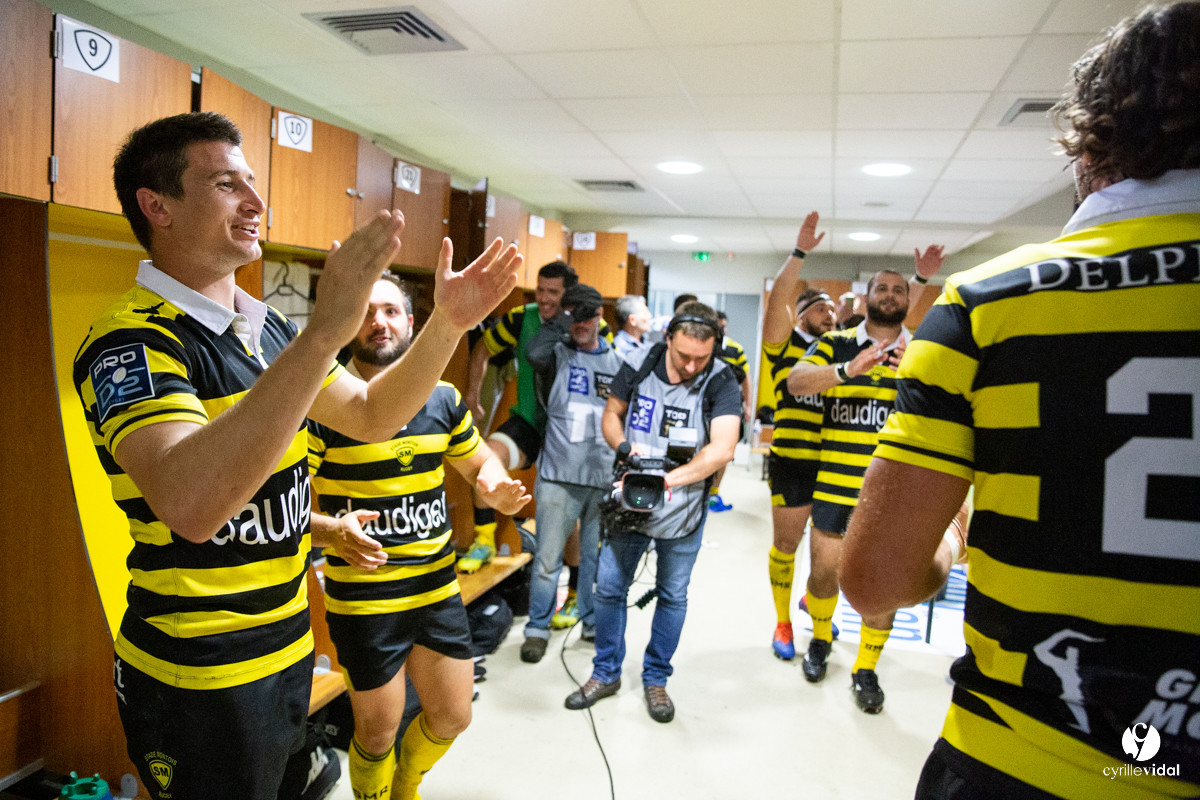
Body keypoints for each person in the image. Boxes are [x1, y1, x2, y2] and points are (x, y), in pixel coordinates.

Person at [72, 112, 520, 800]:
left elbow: (371, 416)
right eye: (228, 185)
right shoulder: (131, 344)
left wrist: (448, 325)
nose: (257, 203)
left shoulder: (267, 330)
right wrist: (323, 336)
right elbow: (191, 505)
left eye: (254, 182)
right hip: (199, 673)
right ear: (156, 206)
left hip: (284, 651)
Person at [841, 4, 1200, 796]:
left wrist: (951, 544)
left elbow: (876, 581)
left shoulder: (989, 304)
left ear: (1089, 141)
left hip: (1027, 754)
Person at [307, 274, 530, 800]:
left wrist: (495, 489)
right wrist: (332, 531)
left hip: (435, 588)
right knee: (378, 730)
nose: (377, 322)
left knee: (453, 715)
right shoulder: (324, 404)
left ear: (411, 323)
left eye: (389, 311)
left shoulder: (443, 399)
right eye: (365, 312)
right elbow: (281, 507)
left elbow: (479, 466)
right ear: (348, 326)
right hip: (364, 597)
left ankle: (406, 784)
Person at [764, 217, 944, 662]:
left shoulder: (914, 350)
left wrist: (917, 282)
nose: (828, 314)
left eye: (897, 291)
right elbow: (796, 378)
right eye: (819, 308)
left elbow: (942, 404)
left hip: (883, 484)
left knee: (879, 580)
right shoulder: (816, 344)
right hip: (809, 466)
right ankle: (799, 628)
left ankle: (866, 668)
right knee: (811, 563)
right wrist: (848, 370)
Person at [564, 302, 741, 723]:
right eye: (684, 356)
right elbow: (612, 415)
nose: (693, 365)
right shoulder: (637, 364)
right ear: (667, 339)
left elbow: (724, 448)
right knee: (608, 588)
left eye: (703, 356)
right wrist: (623, 447)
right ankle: (605, 673)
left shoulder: (721, 379)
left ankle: (656, 678)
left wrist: (670, 480)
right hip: (631, 501)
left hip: (683, 508)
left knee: (673, 594)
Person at [518, 283, 625, 662]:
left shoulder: (618, 363)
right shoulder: (557, 353)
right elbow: (533, 353)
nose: (579, 323)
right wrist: (563, 321)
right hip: (558, 476)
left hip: (602, 479)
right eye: (572, 315)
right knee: (547, 560)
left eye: (586, 315)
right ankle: (536, 629)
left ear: (599, 317)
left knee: (597, 563)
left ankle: (592, 622)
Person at [706, 310, 754, 512]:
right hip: (705, 407)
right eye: (719, 325)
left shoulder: (735, 349)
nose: (722, 329)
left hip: (729, 408)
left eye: (724, 325)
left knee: (724, 452)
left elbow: (745, 378)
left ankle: (714, 494)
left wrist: (749, 406)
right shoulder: (704, 346)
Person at [613, 293, 652, 359]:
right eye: (645, 313)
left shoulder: (649, 345)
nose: (650, 316)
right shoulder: (618, 348)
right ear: (632, 320)